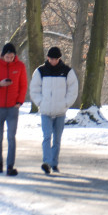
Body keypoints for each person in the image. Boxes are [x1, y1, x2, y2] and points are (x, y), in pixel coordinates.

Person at [29, 47, 78, 175]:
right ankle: (46, 162)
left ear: (59, 59)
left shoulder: (67, 71)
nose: (53, 61)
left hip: (60, 111)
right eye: (51, 59)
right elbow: (34, 89)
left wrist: (65, 103)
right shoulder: (40, 71)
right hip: (45, 111)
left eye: (56, 59)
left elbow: (73, 90)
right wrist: (41, 103)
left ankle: (54, 163)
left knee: (57, 139)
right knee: (47, 136)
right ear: (47, 58)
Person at [0, 42, 27, 176]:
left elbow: (23, 85)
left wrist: (19, 102)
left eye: (12, 56)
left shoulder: (20, 66)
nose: (9, 59)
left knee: (11, 137)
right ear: (2, 55)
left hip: (13, 108)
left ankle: (10, 166)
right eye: (7, 56)